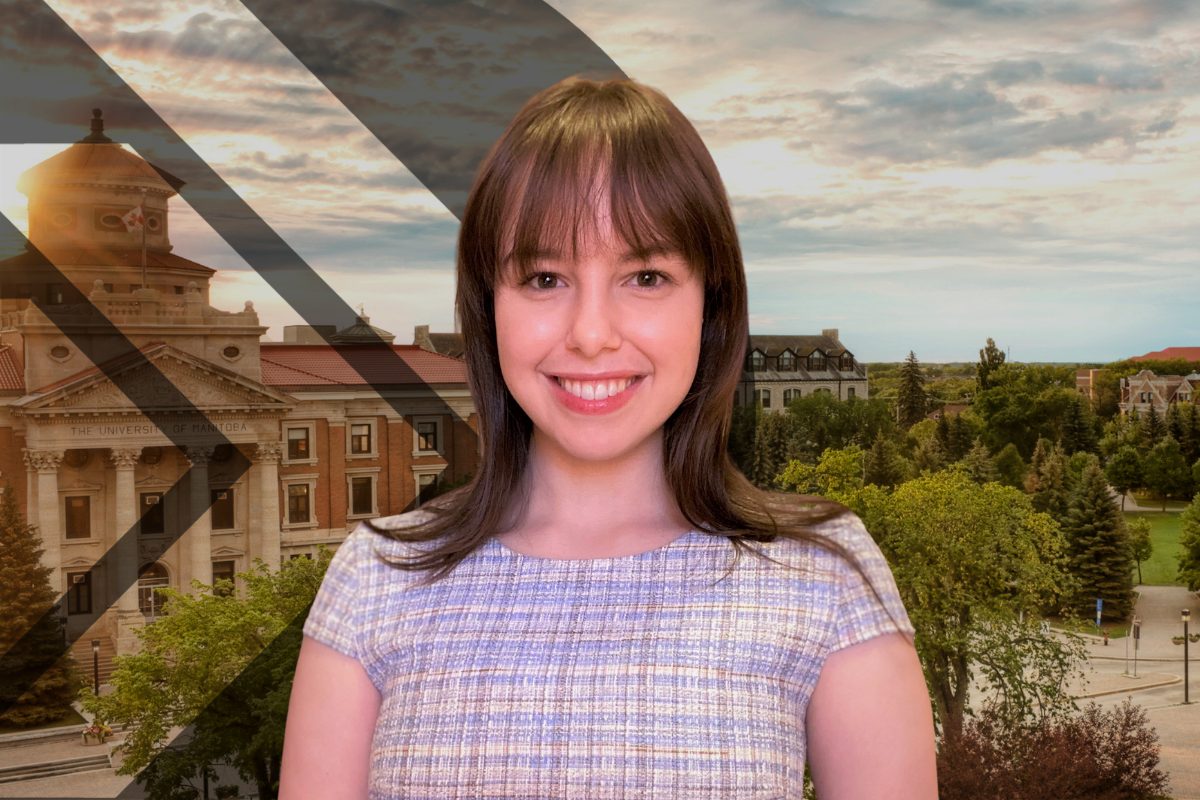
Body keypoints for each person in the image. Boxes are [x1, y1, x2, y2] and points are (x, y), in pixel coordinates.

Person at [280, 75, 937, 799]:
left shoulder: (824, 579)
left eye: (646, 276)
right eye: (544, 278)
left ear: (710, 304)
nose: (591, 335)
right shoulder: (375, 579)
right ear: (488, 305)